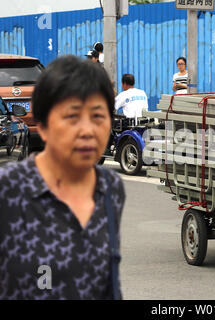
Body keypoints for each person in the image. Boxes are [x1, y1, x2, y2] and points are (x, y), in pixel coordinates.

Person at [0, 55, 125, 299]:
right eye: (72, 117)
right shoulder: (9, 190)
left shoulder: (110, 187)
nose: (87, 131)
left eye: (98, 115)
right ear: (44, 126)